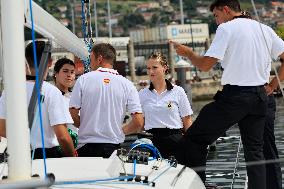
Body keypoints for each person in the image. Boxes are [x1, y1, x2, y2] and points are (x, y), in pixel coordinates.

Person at [170, 0, 284, 188]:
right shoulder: (264, 29)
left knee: (194, 138)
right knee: (255, 152)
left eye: (216, 15)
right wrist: (272, 85)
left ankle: (194, 185)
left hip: (235, 97)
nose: (216, 21)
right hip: (260, 98)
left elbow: (206, 65)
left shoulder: (227, 28)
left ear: (226, 10)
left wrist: (188, 53)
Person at [0, 41, 76, 159]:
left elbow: (2, 129)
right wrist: (72, 158)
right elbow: (62, 137)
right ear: (50, 62)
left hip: (17, 156)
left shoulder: (9, 91)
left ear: (25, 60)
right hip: (46, 155)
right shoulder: (52, 92)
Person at [69, 43, 144, 158]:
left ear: (99, 59)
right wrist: (120, 131)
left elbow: (73, 114)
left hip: (86, 147)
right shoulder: (127, 84)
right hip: (113, 148)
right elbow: (138, 122)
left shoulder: (83, 80)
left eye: (91, 58)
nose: (90, 62)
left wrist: (86, 126)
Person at [139, 52, 193, 159]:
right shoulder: (142, 94)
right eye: (148, 68)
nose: (151, 71)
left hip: (175, 141)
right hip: (151, 142)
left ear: (164, 68)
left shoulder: (178, 91)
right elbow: (141, 123)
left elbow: (187, 121)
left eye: (154, 67)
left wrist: (193, 144)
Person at [263, 58, 284, 189]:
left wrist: (272, 85)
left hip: (262, 95)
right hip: (240, 96)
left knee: (267, 147)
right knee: (254, 151)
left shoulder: (266, 36)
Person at [53, 58, 78, 148]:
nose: (69, 75)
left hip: (77, 147)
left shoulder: (77, 97)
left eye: (72, 72)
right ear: (56, 73)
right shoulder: (48, 95)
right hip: (55, 147)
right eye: (65, 71)